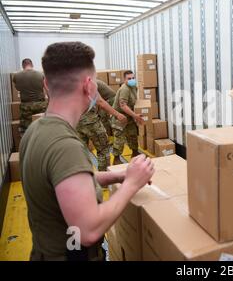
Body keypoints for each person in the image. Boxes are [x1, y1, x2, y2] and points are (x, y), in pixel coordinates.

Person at [20, 42, 154, 261]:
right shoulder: (65, 145)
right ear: (89, 86)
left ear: (45, 84)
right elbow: (89, 230)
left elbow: (67, 182)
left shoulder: (36, 130)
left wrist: (120, 175)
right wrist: (132, 184)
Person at [76, 80, 127, 172]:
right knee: (103, 150)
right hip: (91, 122)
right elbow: (100, 102)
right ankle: (104, 179)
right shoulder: (88, 83)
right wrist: (117, 114)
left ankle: (83, 178)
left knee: (80, 153)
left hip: (75, 122)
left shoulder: (66, 84)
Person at [111, 70, 144, 165]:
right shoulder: (124, 89)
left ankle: (134, 152)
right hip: (120, 117)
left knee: (133, 135)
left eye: (133, 78)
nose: (132, 80)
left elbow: (133, 102)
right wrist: (135, 115)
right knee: (119, 139)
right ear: (124, 80)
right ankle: (116, 159)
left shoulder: (134, 87)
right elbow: (123, 105)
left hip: (129, 116)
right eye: (129, 78)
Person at [12, 58, 48, 135]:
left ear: (23, 66)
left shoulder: (16, 76)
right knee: (43, 127)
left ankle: (28, 144)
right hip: (40, 104)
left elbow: (17, 88)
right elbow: (47, 89)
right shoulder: (41, 75)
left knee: (26, 130)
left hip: (26, 106)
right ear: (32, 64)